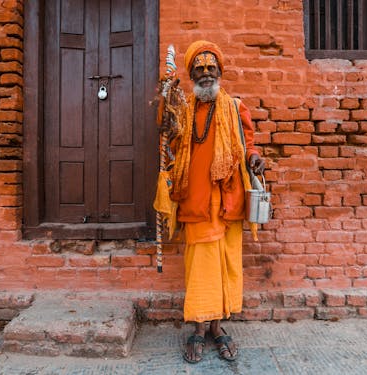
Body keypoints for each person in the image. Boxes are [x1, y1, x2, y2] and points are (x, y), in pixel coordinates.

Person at [158, 41, 265, 363]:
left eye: (211, 68)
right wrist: (167, 113)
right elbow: (170, 146)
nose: (206, 74)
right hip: (196, 202)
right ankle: (197, 328)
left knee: (224, 267)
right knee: (200, 269)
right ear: (191, 74)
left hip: (228, 202)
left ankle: (217, 328)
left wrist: (256, 157)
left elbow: (249, 143)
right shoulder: (182, 109)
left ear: (220, 72)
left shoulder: (235, 107)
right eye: (200, 69)